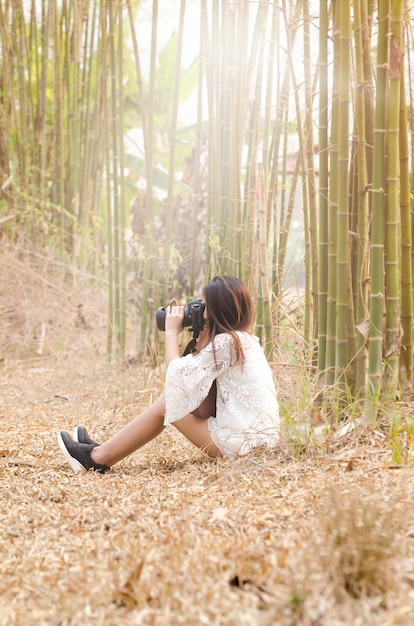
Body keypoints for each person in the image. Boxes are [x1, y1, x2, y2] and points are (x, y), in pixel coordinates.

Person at [58, 276, 280, 473]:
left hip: (243, 445)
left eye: (206, 307)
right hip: (257, 442)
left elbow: (178, 379)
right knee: (169, 402)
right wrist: (202, 343)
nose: (201, 313)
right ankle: (102, 451)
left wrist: (172, 332)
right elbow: (203, 406)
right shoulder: (243, 339)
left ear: (217, 311)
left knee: (166, 403)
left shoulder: (227, 342)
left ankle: (97, 458)